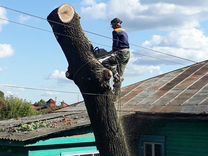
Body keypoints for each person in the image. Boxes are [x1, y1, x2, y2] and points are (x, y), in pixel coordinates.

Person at [102, 18, 130, 84]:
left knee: (105, 62)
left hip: (121, 53)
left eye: (112, 24)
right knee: (120, 73)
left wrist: (113, 52)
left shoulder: (115, 31)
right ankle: (118, 86)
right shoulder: (124, 31)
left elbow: (115, 42)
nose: (112, 26)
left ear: (116, 23)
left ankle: (115, 74)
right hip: (127, 53)